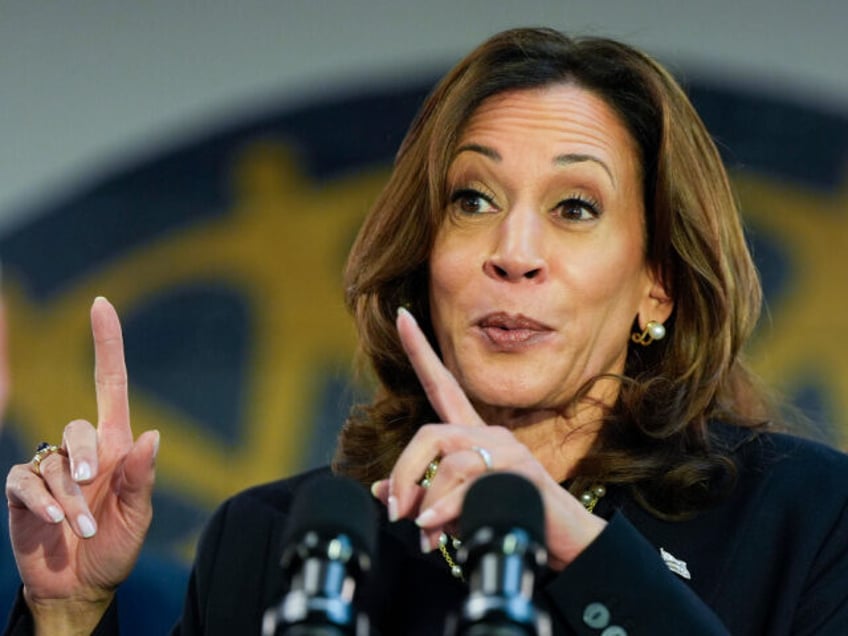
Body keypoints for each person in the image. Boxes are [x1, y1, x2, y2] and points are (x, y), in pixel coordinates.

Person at [4, 26, 848, 635]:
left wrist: (580, 553)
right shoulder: (277, 542)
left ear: (656, 288)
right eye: (473, 201)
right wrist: (68, 614)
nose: (513, 253)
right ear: (425, 256)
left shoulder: (804, 522)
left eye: (575, 209)